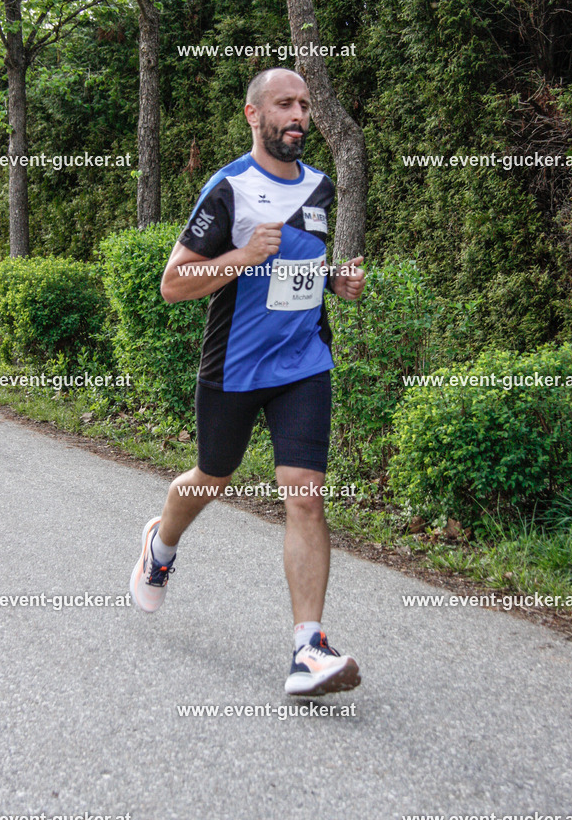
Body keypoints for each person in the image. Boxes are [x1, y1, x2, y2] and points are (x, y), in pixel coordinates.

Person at [130, 67, 366, 696]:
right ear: (253, 114)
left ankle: (308, 650)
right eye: (285, 104)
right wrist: (238, 258)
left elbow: (304, 264)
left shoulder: (320, 186)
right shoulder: (228, 187)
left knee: (306, 496)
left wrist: (337, 279)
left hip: (304, 364)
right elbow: (173, 282)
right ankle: (161, 542)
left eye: (306, 106)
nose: (299, 115)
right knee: (212, 476)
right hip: (234, 367)